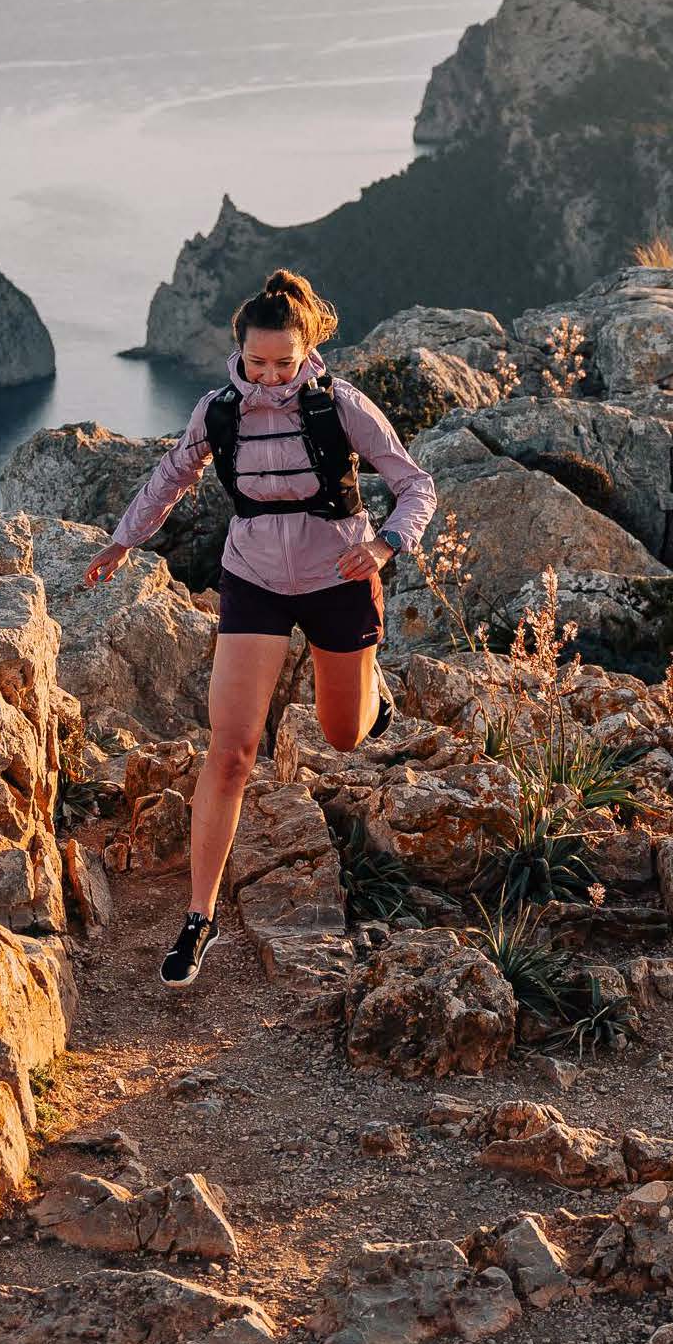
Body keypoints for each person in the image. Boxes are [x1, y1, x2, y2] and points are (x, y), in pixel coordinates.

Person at [84, 270, 437, 989]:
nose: (270, 375)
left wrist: (383, 546)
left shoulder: (340, 404)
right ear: (239, 352)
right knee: (232, 751)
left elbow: (415, 484)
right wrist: (123, 541)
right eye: (257, 362)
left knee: (343, 735)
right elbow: (170, 476)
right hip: (253, 579)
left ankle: (372, 682)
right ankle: (199, 918)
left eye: (283, 362)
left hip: (340, 575)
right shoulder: (218, 412)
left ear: (306, 351)